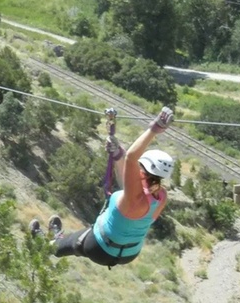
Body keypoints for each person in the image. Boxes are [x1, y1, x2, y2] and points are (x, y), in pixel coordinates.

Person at [31, 107, 175, 268]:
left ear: (142, 168)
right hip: (129, 254)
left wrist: (155, 129)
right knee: (78, 240)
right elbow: (128, 183)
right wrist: (118, 153)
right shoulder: (161, 196)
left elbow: (131, 158)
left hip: (99, 248)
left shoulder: (134, 197)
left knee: (66, 245)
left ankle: (46, 243)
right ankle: (57, 238)